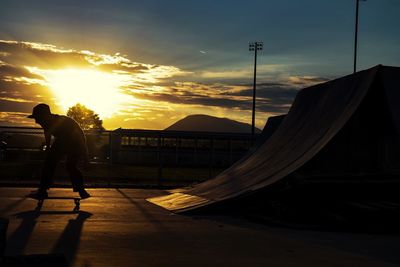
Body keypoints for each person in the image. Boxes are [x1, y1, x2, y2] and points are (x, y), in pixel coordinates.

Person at [27, 103, 91, 199]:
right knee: (52, 162)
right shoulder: (46, 122)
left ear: (45, 116)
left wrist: (86, 158)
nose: (36, 121)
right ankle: (43, 190)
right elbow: (47, 134)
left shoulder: (63, 122)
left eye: (37, 118)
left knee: (69, 165)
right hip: (63, 140)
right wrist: (48, 148)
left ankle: (81, 190)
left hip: (75, 141)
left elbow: (80, 138)